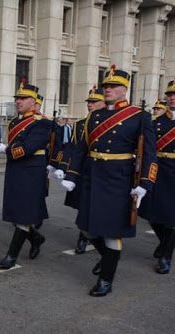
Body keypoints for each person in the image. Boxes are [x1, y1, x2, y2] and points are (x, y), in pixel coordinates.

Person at [60, 65, 157, 296]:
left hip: (118, 179)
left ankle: (106, 280)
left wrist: (145, 183)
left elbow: (149, 154)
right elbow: (81, 149)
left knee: (112, 232)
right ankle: (109, 259)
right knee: (88, 229)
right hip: (93, 176)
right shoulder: (94, 116)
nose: (108, 89)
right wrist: (72, 175)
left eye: (113, 86)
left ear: (125, 89)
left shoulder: (139, 116)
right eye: (106, 86)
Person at [0, 81, 51, 270]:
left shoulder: (42, 123)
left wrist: (8, 150)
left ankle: (11, 256)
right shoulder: (14, 122)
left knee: (24, 215)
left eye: (23, 98)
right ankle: (36, 238)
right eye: (17, 98)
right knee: (16, 211)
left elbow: (29, 147)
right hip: (15, 170)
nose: (18, 101)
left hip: (31, 171)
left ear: (34, 102)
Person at [56, 85, 106, 255]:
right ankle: (84, 237)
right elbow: (71, 148)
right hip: (81, 170)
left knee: (100, 207)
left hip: (102, 171)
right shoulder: (79, 125)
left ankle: (102, 241)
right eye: (89, 102)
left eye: (94, 101)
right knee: (82, 206)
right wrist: (63, 167)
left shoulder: (109, 124)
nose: (89, 105)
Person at [139, 80, 175, 274]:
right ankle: (164, 243)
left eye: (174, 95)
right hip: (158, 169)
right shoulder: (157, 122)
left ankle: (166, 256)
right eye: (169, 94)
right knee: (151, 212)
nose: (172, 97)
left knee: (172, 217)